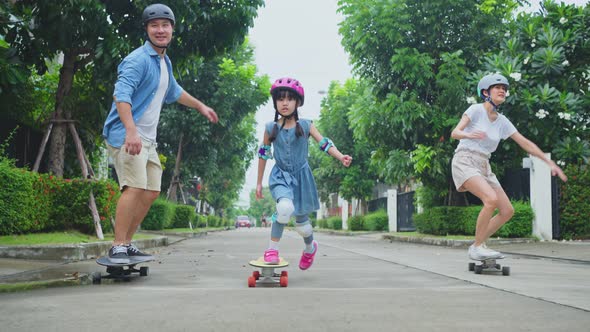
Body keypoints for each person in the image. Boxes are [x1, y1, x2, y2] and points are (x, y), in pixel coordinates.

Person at [102, 3, 218, 263]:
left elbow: (175, 92)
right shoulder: (137, 60)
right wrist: (131, 132)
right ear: (147, 29)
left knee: (152, 190)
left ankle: (128, 243)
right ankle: (118, 245)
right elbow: (121, 95)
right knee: (133, 187)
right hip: (128, 135)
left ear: (172, 30)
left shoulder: (164, 62)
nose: (160, 30)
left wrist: (200, 105)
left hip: (148, 140)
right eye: (154, 25)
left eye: (165, 25)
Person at [450, 73, 567, 260]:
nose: (503, 90)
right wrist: (469, 135)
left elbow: (525, 143)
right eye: (498, 87)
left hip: (484, 164)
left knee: (507, 211)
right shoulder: (475, 110)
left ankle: (476, 245)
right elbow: (455, 132)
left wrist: (549, 162)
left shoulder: (502, 121)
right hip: (465, 160)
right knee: (490, 199)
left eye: (504, 88)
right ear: (486, 92)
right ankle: (478, 246)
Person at [256, 77, 352, 270]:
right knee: (283, 209)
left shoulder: (306, 125)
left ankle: (310, 247)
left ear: (297, 102)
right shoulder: (270, 128)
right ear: (275, 102)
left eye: (289, 99)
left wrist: (340, 156)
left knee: (303, 226)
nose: (284, 103)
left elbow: (324, 142)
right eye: (280, 99)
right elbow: (263, 154)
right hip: (281, 177)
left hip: (302, 178)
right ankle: (272, 250)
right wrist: (259, 183)